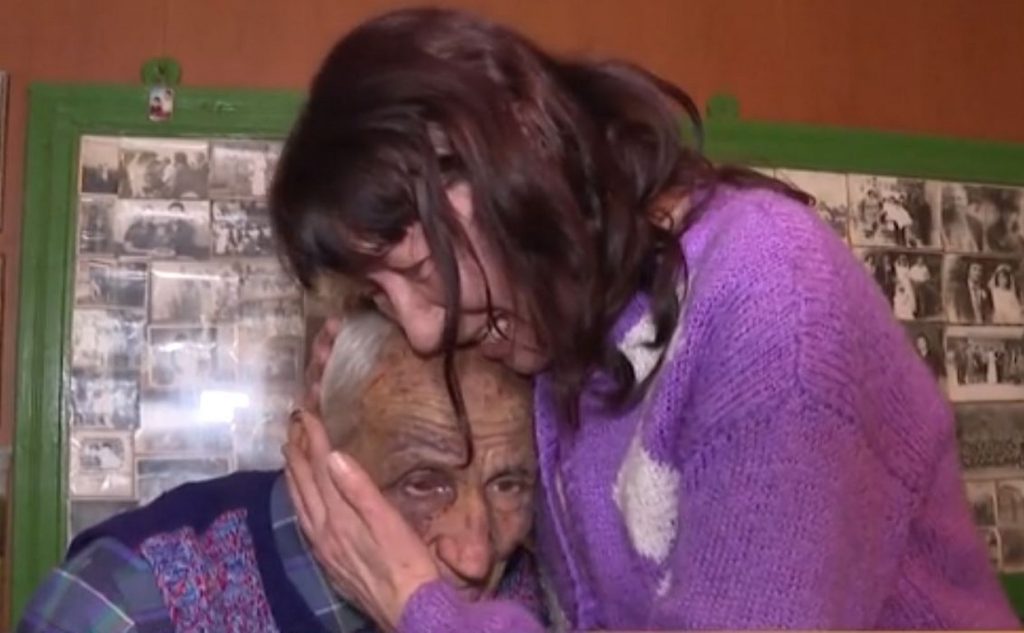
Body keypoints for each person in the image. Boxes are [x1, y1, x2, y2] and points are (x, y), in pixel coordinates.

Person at [270, 8, 1017, 630]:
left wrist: (421, 609)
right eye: (381, 295)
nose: (424, 329)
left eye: (419, 269)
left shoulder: (772, 302)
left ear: (518, 148)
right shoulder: (564, 339)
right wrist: (357, 391)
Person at [17, 310, 544, 633]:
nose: (475, 556)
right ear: (310, 448)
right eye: (423, 483)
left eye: (508, 485)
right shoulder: (125, 604)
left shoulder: (547, 592)